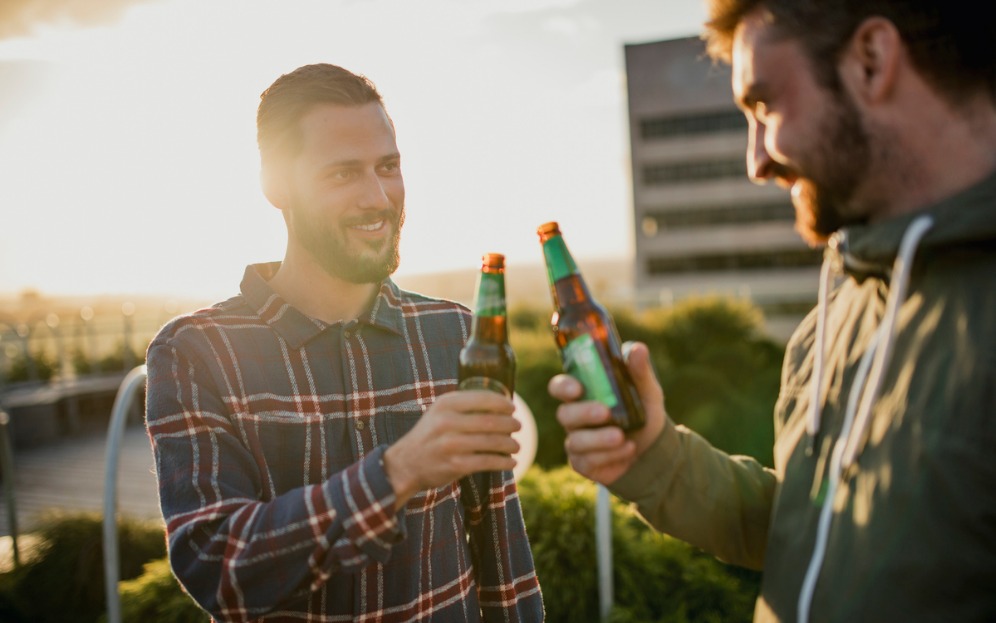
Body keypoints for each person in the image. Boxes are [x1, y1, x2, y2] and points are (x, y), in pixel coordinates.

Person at [549, 1, 996, 622]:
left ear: (871, 61)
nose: (755, 161)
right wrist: (655, 456)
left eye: (765, 106)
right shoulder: (837, 312)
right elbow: (812, 528)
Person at [145, 63, 543, 622]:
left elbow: (501, 553)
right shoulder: (196, 354)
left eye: (388, 167)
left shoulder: (456, 334)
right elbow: (216, 566)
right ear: (276, 186)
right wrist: (398, 472)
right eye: (342, 174)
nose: (378, 197)